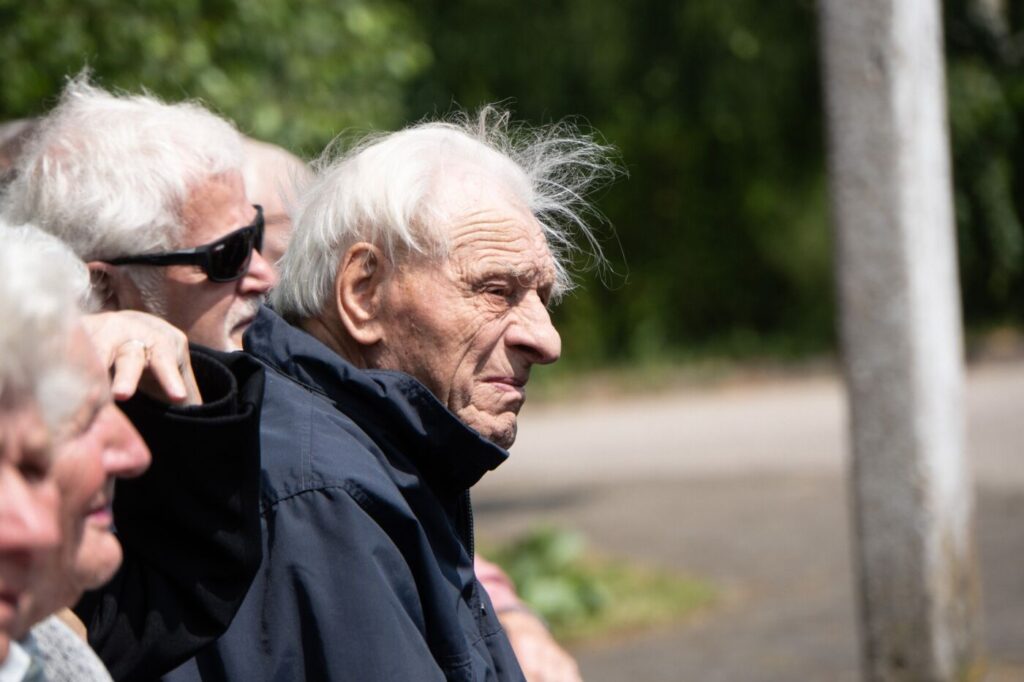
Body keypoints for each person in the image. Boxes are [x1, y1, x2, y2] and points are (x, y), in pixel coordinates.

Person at [164, 108, 615, 681]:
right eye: (496, 290)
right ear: (362, 292)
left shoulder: (373, 455)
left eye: (542, 298)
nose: (547, 340)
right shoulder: (322, 494)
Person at [1, 76, 278, 352]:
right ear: (104, 289)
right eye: (229, 254)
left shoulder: (284, 350)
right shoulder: (33, 379)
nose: (267, 276)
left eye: (255, 233)